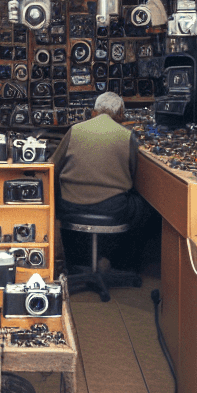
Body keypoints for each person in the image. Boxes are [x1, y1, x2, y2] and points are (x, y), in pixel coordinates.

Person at [50, 91, 152, 273]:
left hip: (70, 206)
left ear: (93, 112)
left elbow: (53, 166)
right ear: (120, 114)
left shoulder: (75, 130)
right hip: (112, 207)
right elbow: (135, 174)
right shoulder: (127, 136)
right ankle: (122, 264)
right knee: (146, 208)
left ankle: (76, 263)